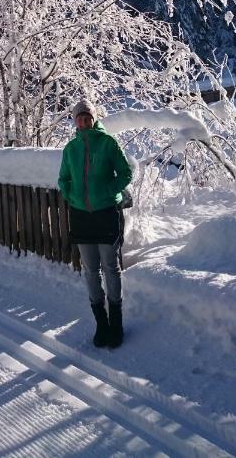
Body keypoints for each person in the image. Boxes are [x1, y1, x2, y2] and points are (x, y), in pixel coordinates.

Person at [58, 98, 133, 348]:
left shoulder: (108, 143)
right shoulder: (70, 149)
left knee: (111, 268)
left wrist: (109, 191)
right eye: (79, 117)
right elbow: (63, 179)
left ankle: (116, 323)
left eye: (87, 116)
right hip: (81, 217)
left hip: (106, 213)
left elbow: (126, 173)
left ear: (93, 118)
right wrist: (71, 194)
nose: (83, 121)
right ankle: (101, 324)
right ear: (75, 121)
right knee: (90, 271)